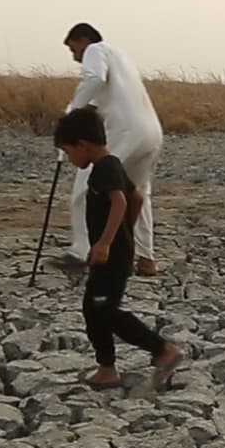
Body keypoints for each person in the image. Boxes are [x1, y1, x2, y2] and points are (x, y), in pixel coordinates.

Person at [53, 105, 181, 390]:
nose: (70, 160)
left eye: (68, 152)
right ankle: (106, 368)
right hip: (114, 254)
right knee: (93, 308)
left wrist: (106, 242)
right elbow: (136, 198)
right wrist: (126, 234)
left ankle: (163, 350)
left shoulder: (104, 169)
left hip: (110, 256)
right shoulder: (113, 165)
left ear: (83, 145)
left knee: (106, 310)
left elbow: (120, 201)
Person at [58, 22, 164, 276]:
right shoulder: (121, 60)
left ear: (84, 41)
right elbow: (95, 104)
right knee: (137, 191)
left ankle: (82, 253)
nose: (75, 58)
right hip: (151, 132)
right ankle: (146, 258)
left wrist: (71, 111)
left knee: (87, 185)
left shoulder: (96, 50)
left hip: (126, 132)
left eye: (74, 50)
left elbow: (94, 78)